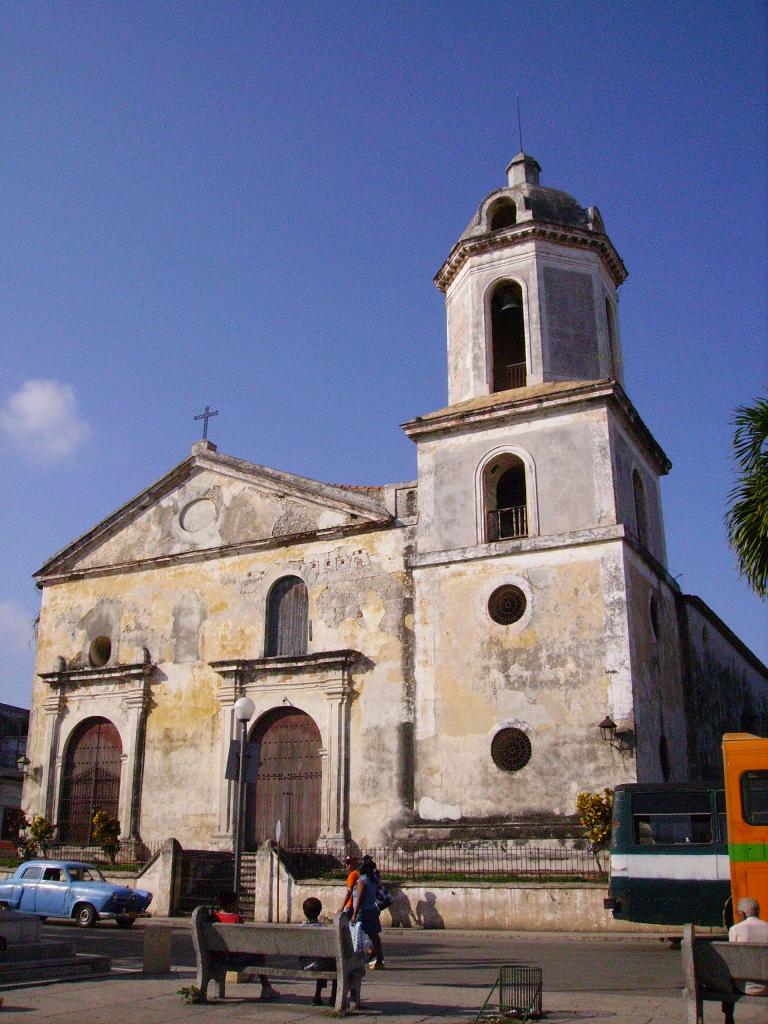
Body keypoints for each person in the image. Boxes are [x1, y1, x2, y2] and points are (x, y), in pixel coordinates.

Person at [214, 890, 281, 1001]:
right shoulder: (235, 919)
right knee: (259, 957)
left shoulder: (214, 917)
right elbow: (243, 943)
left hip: (217, 958)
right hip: (232, 959)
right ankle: (266, 987)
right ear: (232, 904)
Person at [300, 896, 337, 1006]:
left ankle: (317, 996)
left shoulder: (300, 927)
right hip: (319, 964)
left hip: (305, 964)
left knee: (321, 961)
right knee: (334, 966)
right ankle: (333, 997)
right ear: (319, 911)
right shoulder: (323, 928)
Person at [728, 895, 768, 996]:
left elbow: (733, 959)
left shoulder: (735, 929)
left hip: (745, 986)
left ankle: (727, 1012)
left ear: (742, 914)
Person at [351, 857, 384, 969]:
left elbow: (359, 897)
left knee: (357, 936)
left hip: (364, 911)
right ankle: (379, 960)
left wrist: (355, 913)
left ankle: (357, 960)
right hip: (373, 909)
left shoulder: (362, 881)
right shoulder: (372, 880)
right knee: (374, 936)